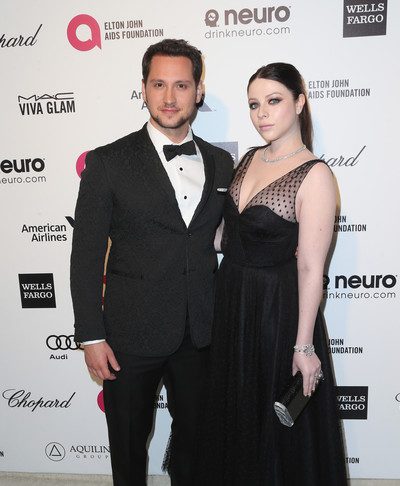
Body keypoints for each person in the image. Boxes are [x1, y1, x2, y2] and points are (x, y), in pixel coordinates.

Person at [70, 39, 234, 486]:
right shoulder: (107, 162)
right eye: (159, 84)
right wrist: (91, 336)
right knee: (127, 449)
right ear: (143, 89)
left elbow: (224, 237)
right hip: (129, 337)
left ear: (198, 91)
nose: (169, 97)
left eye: (181, 85)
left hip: (200, 334)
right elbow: (85, 256)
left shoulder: (222, 163)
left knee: (197, 447)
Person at [196, 63, 348, 485]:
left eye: (274, 101)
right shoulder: (247, 159)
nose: (261, 113)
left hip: (276, 312)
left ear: (299, 103)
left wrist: (304, 345)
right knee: (233, 413)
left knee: (275, 428)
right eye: (253, 104)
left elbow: (311, 267)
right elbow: (226, 237)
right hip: (232, 302)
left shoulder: (315, 175)